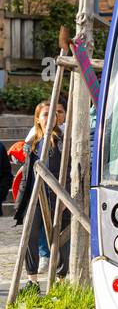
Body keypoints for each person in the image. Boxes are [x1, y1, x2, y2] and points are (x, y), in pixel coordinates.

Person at [14, 99, 68, 291]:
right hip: (35, 197)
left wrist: (66, 197)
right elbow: (26, 175)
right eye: (45, 114)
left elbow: (68, 170)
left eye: (53, 114)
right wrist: (21, 200)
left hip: (56, 197)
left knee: (61, 240)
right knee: (30, 237)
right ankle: (33, 281)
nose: (50, 117)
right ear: (37, 119)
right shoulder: (34, 143)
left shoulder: (62, 139)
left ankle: (61, 281)